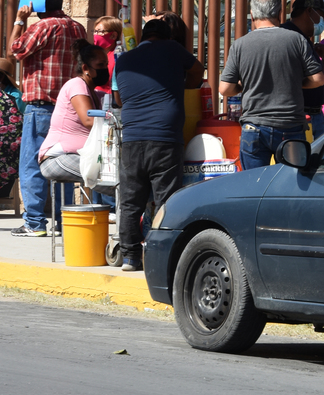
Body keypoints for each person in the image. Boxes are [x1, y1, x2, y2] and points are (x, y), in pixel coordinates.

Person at [112, 19, 204, 271]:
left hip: (132, 139)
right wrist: (182, 87)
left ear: (143, 37)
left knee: (130, 202)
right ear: (167, 37)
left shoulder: (123, 59)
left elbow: (118, 99)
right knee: (166, 200)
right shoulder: (172, 49)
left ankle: (130, 257)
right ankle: (163, 256)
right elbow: (198, 70)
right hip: (165, 137)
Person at [9, 0, 87, 237]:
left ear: (40, 3)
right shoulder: (77, 27)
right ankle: (64, 221)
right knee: (63, 163)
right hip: (69, 108)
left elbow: (15, 50)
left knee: (32, 163)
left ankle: (34, 222)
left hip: (41, 106)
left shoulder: (42, 27)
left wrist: (20, 21)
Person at [219, 0, 324, 171]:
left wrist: (244, 85)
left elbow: (225, 89)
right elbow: (318, 79)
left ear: (252, 14)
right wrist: (294, 82)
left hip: (254, 128)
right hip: (291, 126)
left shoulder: (239, 45)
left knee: (255, 183)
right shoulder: (297, 40)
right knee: (291, 182)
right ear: (279, 13)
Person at [37, 40, 106, 182]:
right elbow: (89, 120)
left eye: (106, 65)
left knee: (116, 177)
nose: (105, 69)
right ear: (85, 68)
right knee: (113, 178)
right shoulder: (77, 84)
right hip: (58, 158)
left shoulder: (96, 95)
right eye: (100, 65)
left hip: (78, 156)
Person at [280, 0, 324, 139]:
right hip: (298, 117)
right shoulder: (288, 36)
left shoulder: (304, 39)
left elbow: (316, 81)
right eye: (321, 16)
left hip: (314, 115)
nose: (323, 22)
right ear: (309, 11)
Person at [91, 16, 122, 95]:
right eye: (95, 31)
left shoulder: (118, 55)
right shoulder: (92, 54)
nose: (96, 34)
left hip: (109, 98)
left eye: (100, 31)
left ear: (113, 35)